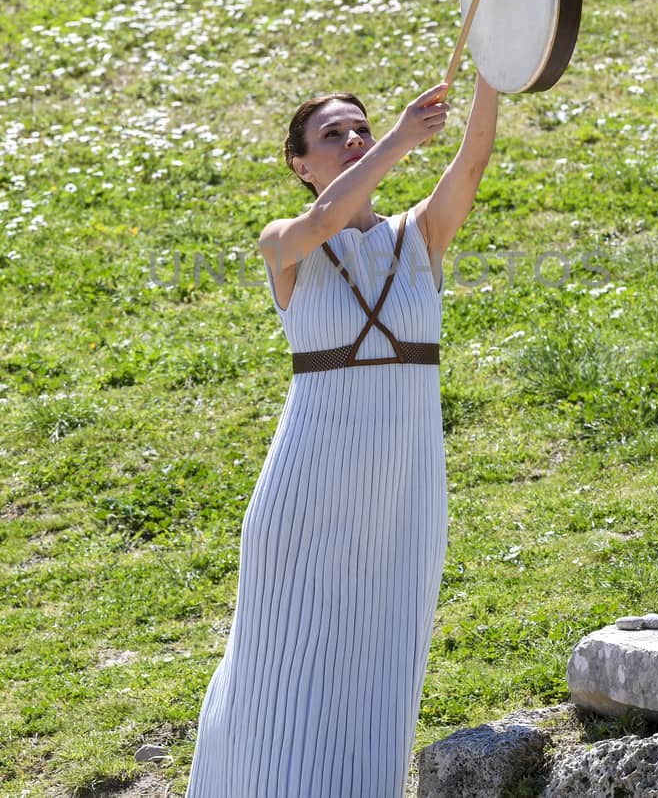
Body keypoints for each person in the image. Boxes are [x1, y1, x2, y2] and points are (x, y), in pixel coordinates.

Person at [186, 73, 500, 797]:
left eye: (360, 126)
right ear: (301, 164)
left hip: (402, 493)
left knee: (376, 667)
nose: (354, 137)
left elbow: (474, 158)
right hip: (308, 491)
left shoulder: (418, 237)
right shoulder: (286, 244)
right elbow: (326, 220)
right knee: (283, 673)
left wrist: (495, 64)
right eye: (335, 134)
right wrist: (396, 140)